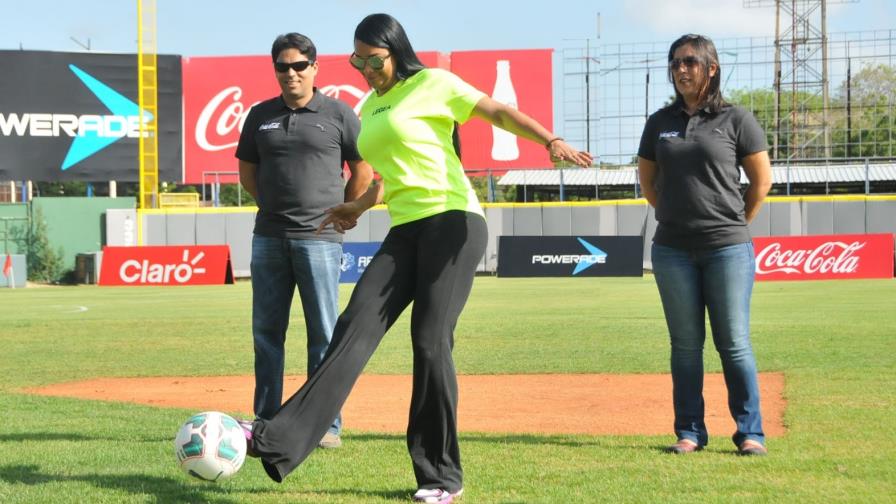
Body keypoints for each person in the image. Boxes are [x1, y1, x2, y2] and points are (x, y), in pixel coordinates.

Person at [239, 13, 592, 503]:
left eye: (374, 60)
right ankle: (275, 438)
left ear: (396, 51)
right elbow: (389, 176)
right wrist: (357, 206)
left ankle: (441, 477)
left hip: (453, 222)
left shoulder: (434, 84)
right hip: (405, 229)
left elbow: (497, 111)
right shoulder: (370, 106)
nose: (366, 69)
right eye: (358, 60)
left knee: (429, 342)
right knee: (352, 327)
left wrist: (548, 139)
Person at [637, 34, 773, 456]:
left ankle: (750, 433)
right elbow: (648, 184)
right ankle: (690, 432)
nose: (681, 69)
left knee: (734, 343)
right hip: (672, 250)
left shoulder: (737, 118)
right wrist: (677, 218)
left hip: (727, 248)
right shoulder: (659, 123)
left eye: (690, 62)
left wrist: (732, 224)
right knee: (684, 347)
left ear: (711, 68)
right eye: (675, 62)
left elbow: (761, 182)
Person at [236, 32, 373, 449]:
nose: (291, 73)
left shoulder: (339, 114)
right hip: (268, 238)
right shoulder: (260, 116)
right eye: (283, 66)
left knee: (324, 335)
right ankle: (265, 420)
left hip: (320, 240)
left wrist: (346, 211)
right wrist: (271, 205)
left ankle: (325, 426)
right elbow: (247, 173)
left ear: (314, 67)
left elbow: (363, 170)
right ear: (275, 69)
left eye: (299, 65)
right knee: (266, 334)